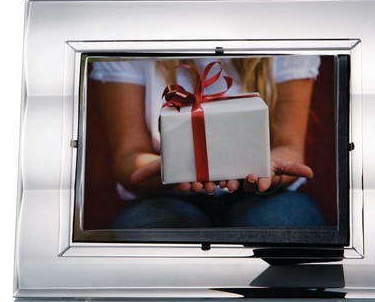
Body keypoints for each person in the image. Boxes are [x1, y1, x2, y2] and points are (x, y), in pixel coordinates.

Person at [90, 56, 326, 228]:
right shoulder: (133, 40)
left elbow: (289, 147)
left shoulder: (282, 39)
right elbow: (129, 156)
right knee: (157, 233)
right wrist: (172, 169)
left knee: (284, 227)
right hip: (163, 195)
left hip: (267, 194)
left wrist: (264, 169)